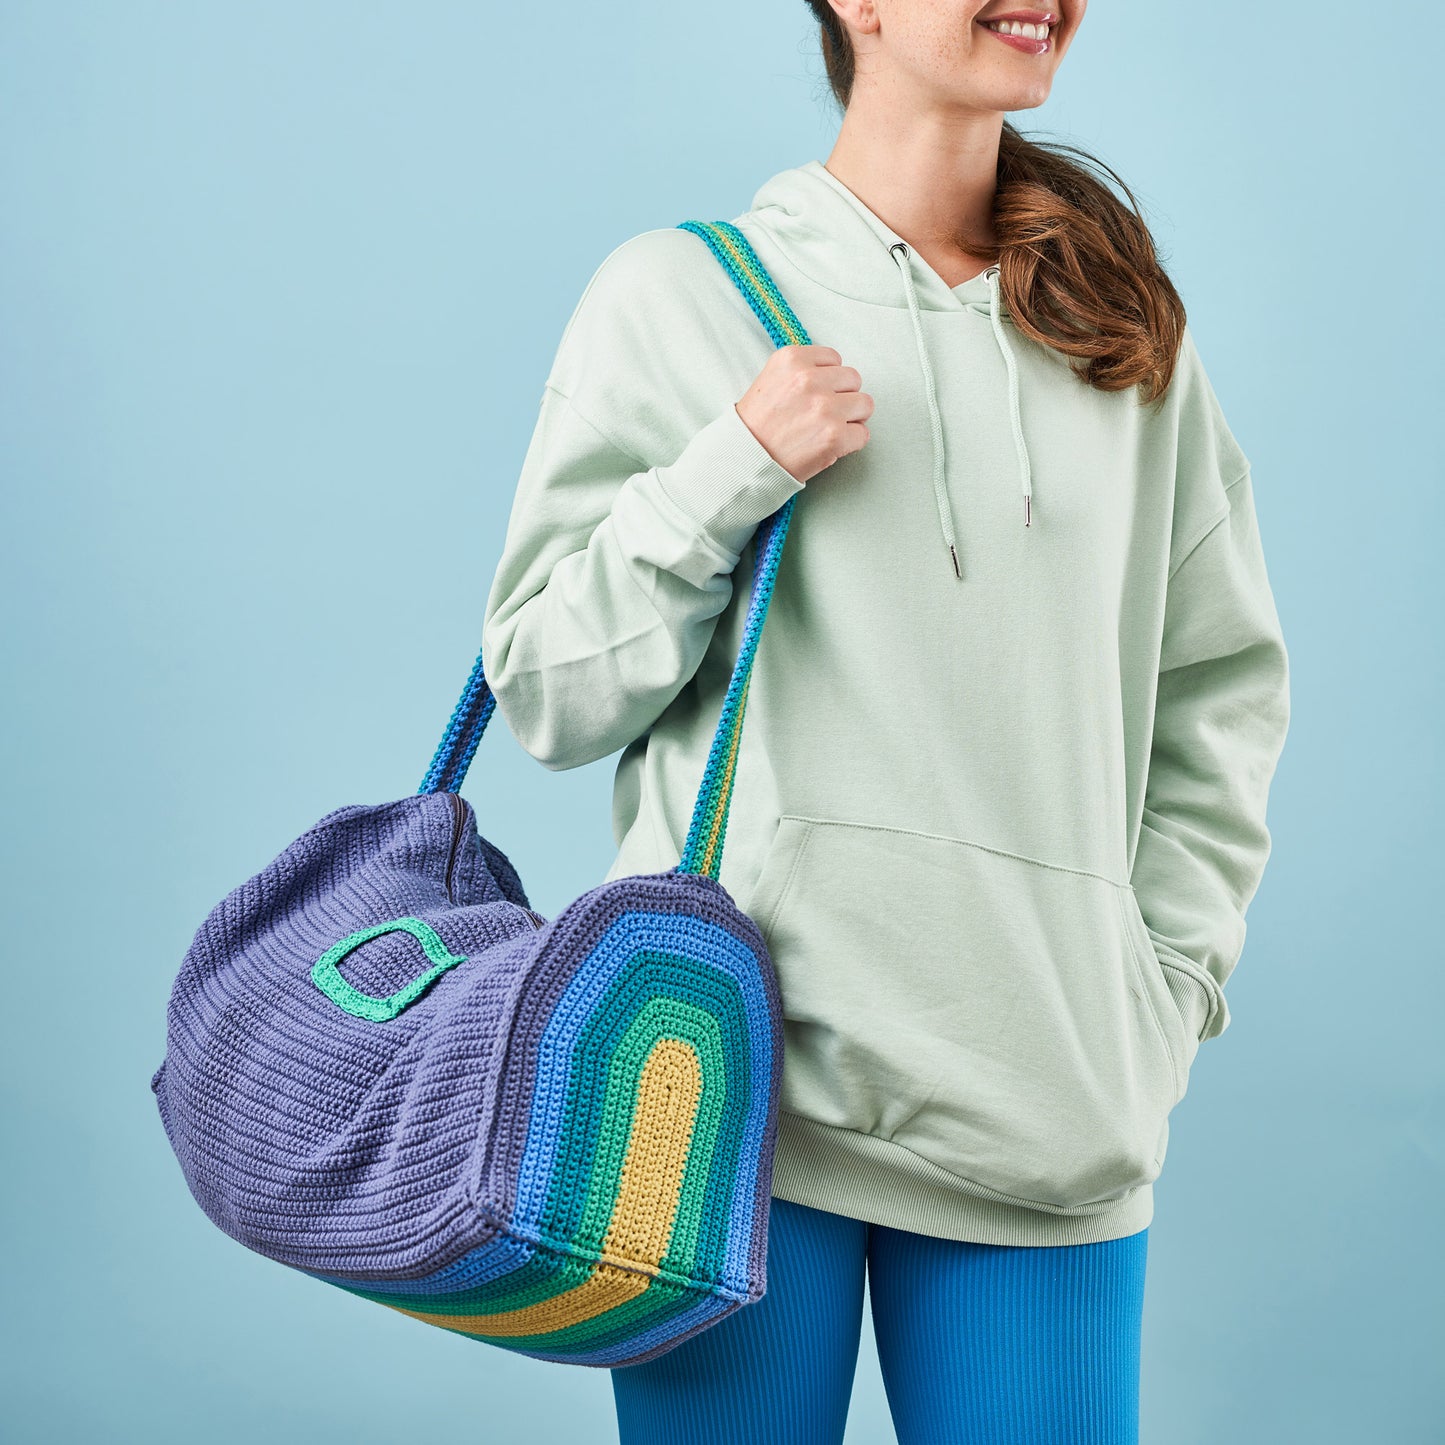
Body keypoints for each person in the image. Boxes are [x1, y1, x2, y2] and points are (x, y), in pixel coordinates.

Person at [481, 1, 1291, 1440]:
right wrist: (727, 469)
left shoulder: (1116, 326)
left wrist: (1158, 993)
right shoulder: (680, 296)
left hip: (1048, 1109)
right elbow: (548, 690)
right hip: (725, 1110)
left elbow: (1218, 688)